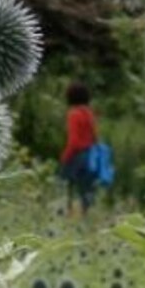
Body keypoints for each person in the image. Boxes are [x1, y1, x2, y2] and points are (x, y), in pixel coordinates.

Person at [59, 82, 99, 216]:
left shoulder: (73, 114)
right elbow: (95, 136)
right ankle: (85, 215)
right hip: (89, 154)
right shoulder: (89, 113)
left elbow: (74, 140)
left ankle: (68, 212)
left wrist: (65, 156)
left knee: (66, 185)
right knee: (86, 188)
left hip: (76, 155)